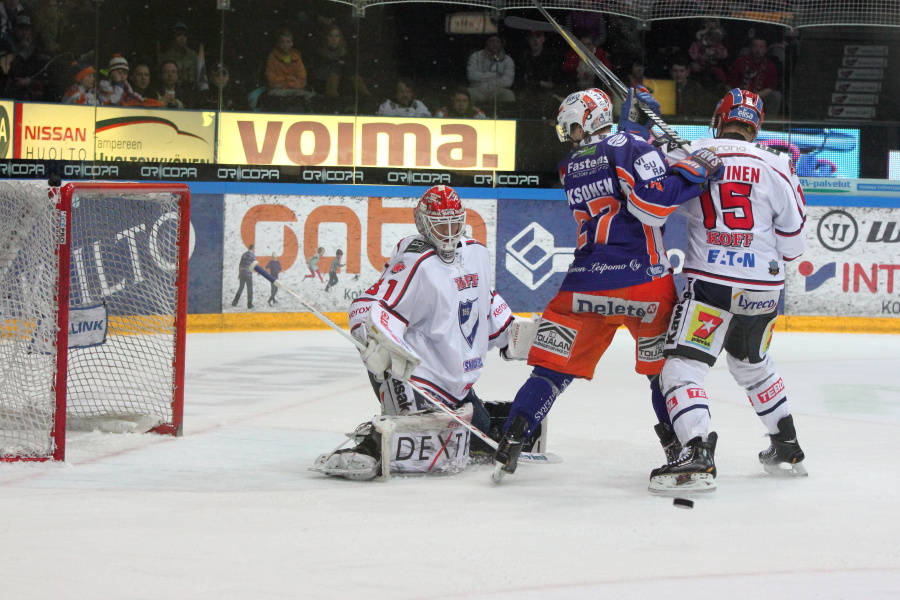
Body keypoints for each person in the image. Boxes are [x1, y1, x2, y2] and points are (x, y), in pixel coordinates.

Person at [491, 87, 725, 481]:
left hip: (584, 287)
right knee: (662, 373)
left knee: (550, 370)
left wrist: (648, 139)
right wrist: (695, 170)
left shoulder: (570, 166)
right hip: (643, 284)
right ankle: (677, 446)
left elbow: (619, 165)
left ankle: (513, 438)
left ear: (587, 120)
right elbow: (652, 205)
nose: (568, 132)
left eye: (571, 124)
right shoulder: (631, 145)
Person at [647, 88, 808, 493]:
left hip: (711, 286)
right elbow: (793, 244)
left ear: (719, 119)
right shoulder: (779, 165)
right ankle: (786, 445)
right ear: (756, 127)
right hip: (764, 288)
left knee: (682, 368)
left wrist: (651, 136)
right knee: (753, 365)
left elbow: (655, 198)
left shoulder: (694, 151)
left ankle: (697, 452)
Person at [314, 186, 526, 481]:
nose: (449, 233)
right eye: (441, 226)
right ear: (423, 223)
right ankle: (371, 445)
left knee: (481, 438)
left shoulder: (476, 253)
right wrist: (376, 338)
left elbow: (485, 301)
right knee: (417, 452)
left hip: (457, 382)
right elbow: (371, 304)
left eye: (455, 224)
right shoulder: (416, 260)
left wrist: (511, 331)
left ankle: (456, 417)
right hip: (417, 377)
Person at [727, 38, 781, 117]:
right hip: (740, 96)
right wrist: (740, 97)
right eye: (755, 47)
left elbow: (771, 87)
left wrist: (754, 97)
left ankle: (769, 125)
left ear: (766, 50)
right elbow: (730, 83)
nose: (758, 50)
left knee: (776, 96)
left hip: (760, 96)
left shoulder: (770, 65)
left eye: (761, 47)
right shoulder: (740, 61)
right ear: (751, 48)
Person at [262, 28, 312, 112]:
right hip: (277, 91)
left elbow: (302, 81)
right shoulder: (272, 58)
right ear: (278, 44)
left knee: (308, 98)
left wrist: (285, 83)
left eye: (288, 42)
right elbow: (271, 80)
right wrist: (288, 79)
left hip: (296, 90)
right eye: (282, 42)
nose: (285, 45)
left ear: (292, 43)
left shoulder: (297, 58)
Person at [514, 30, 559, 119]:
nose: (535, 40)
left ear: (543, 39)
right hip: (527, 92)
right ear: (528, 40)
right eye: (532, 37)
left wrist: (537, 81)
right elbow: (520, 80)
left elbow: (552, 84)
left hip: (544, 93)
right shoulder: (524, 57)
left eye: (538, 37)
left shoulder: (550, 58)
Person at [466, 35, 515, 107]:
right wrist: (495, 76)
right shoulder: (475, 56)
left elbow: (508, 81)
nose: (495, 44)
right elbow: (471, 76)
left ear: (501, 43)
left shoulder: (508, 60)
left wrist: (483, 77)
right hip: (477, 91)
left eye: (498, 41)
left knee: (508, 94)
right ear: (487, 42)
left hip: (497, 92)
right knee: (466, 94)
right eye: (492, 41)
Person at [158, 22, 198, 88]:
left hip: (191, 89)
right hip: (172, 88)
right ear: (174, 37)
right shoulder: (166, 56)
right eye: (179, 35)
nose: (182, 38)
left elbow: (197, 75)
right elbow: (162, 76)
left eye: (185, 35)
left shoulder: (193, 55)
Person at [231, 244, 256, 309]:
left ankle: (234, 302)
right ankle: (249, 304)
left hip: (242, 273)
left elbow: (240, 264)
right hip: (248, 274)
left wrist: (240, 273)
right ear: (252, 249)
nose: (254, 250)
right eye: (254, 249)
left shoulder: (244, 254)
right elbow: (254, 266)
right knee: (249, 289)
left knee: (241, 288)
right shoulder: (252, 256)